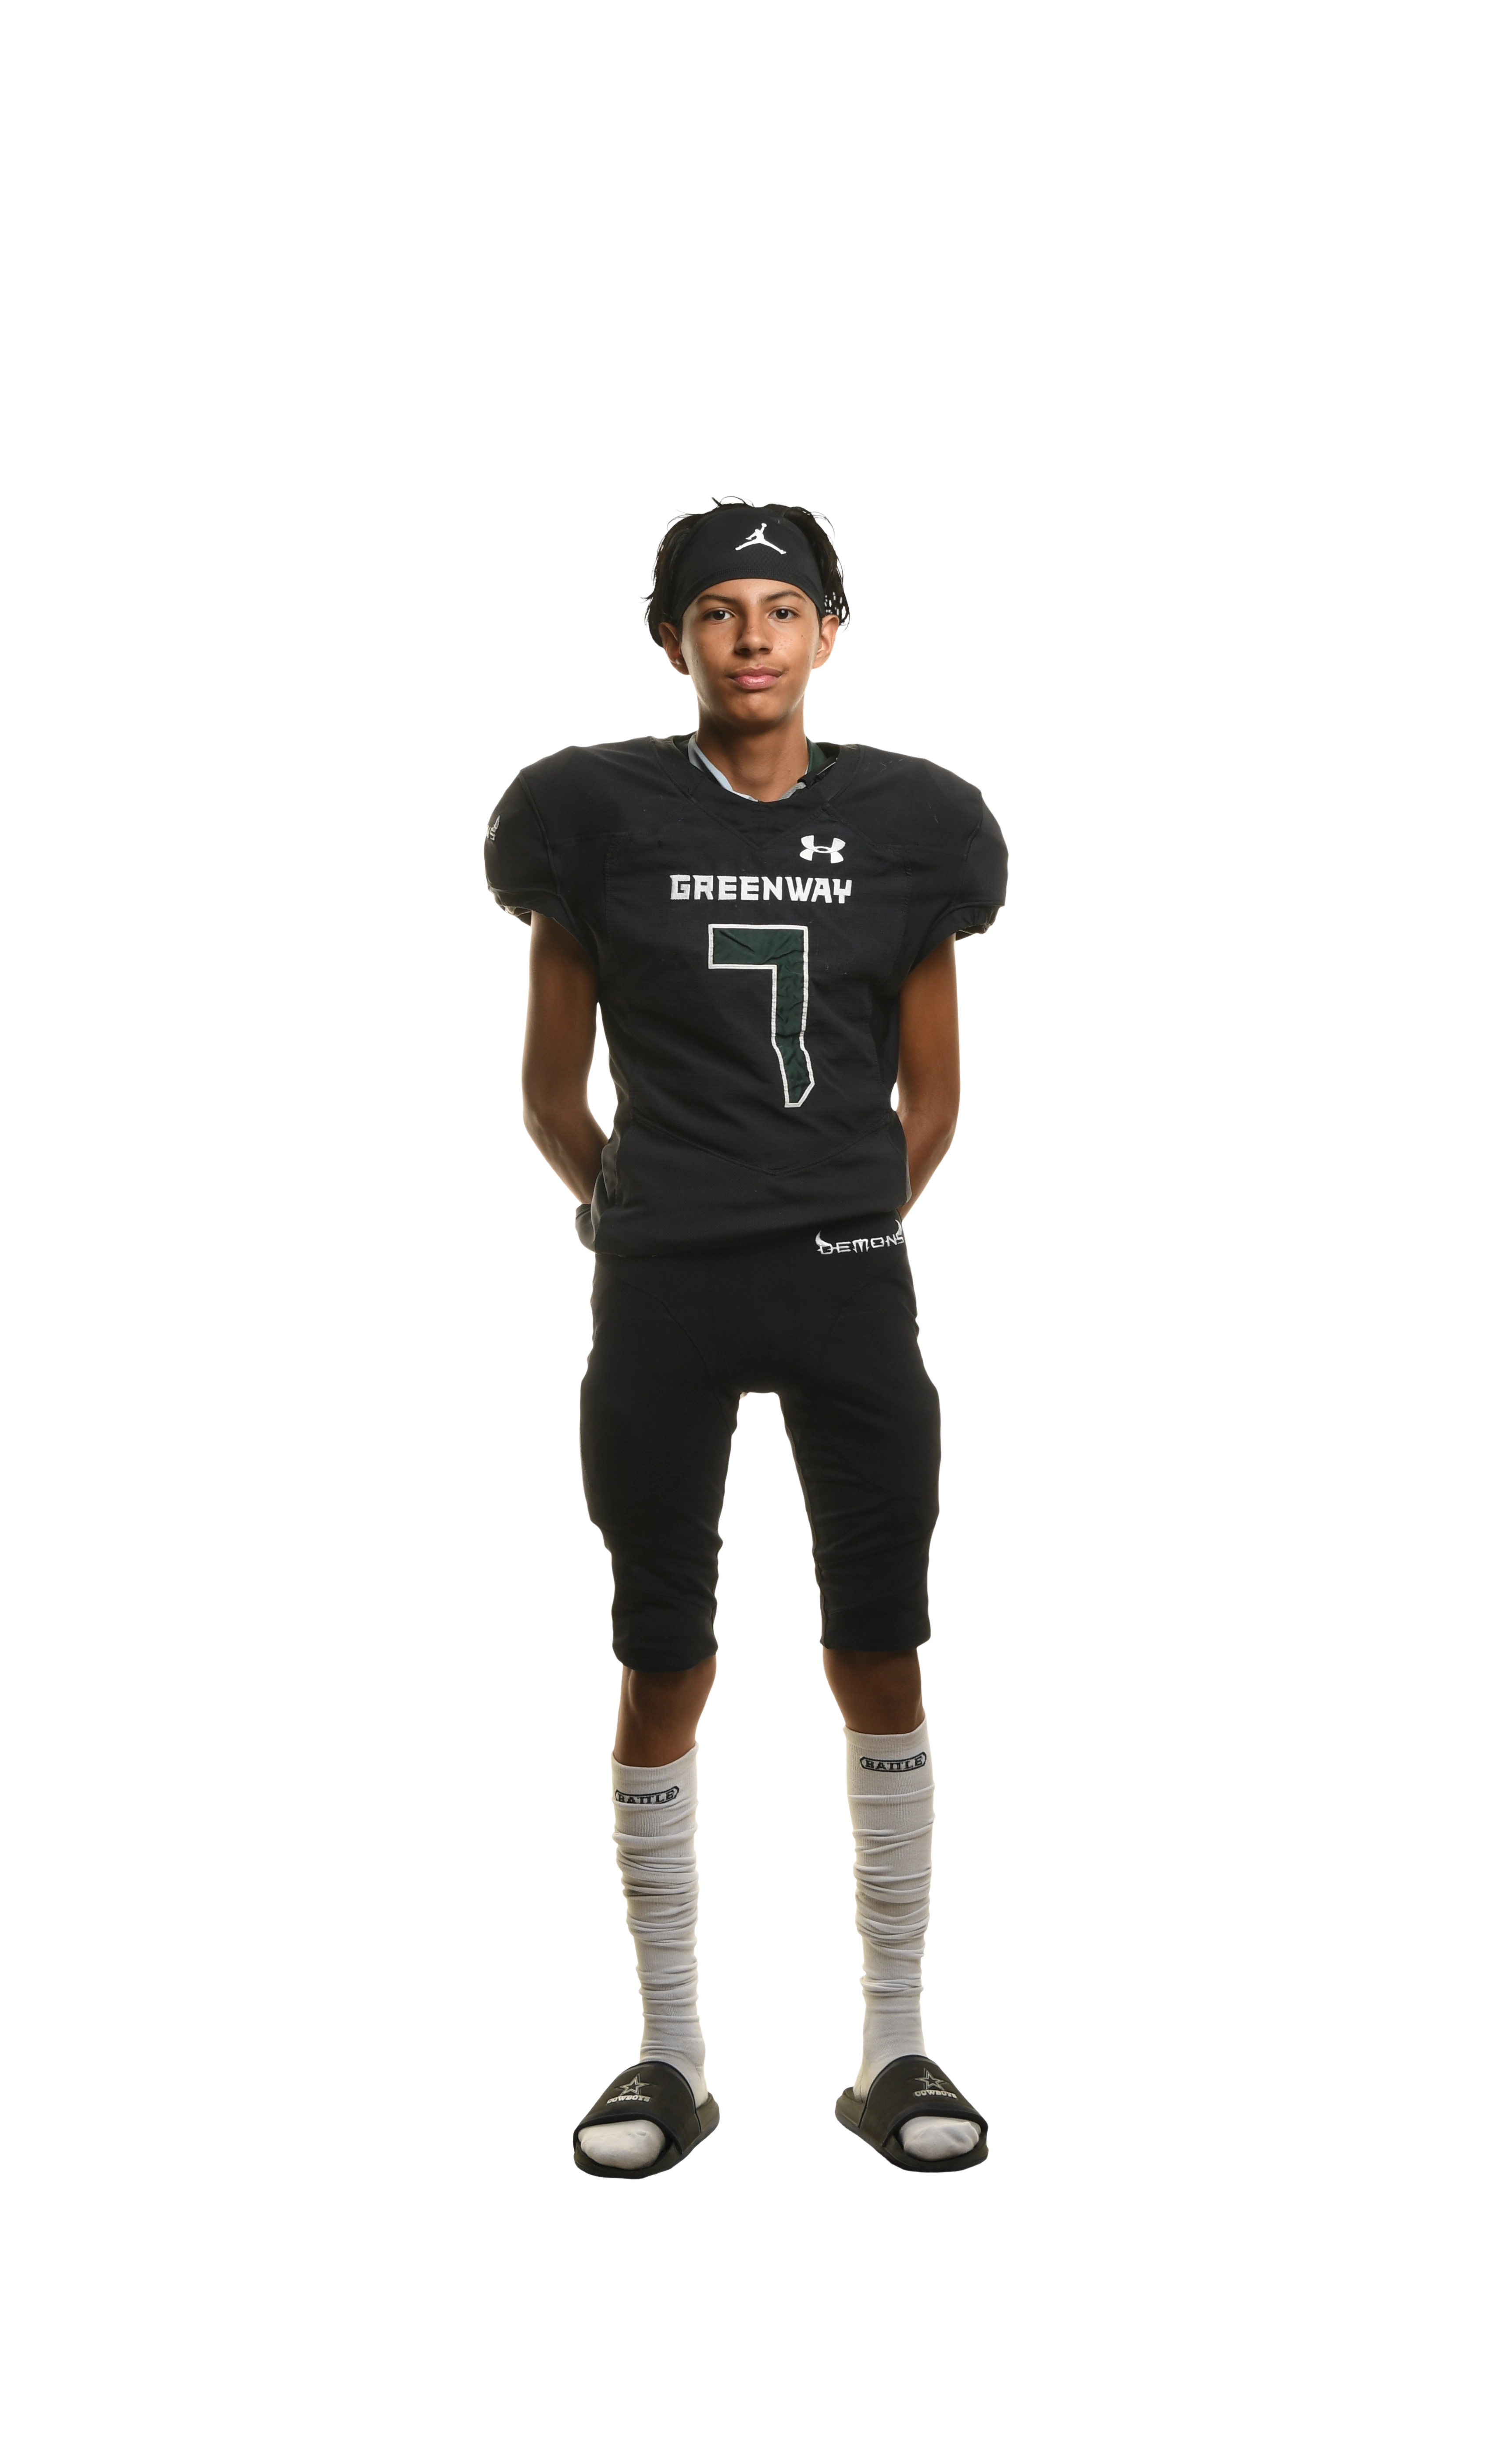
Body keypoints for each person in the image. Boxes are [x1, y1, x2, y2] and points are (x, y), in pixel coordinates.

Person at [483, 496, 1007, 2177]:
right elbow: (550, 1093)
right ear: (673, 639)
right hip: (665, 1285)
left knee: (882, 1640)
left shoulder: (911, 824)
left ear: (828, 633)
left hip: (847, 1275)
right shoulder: (593, 816)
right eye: (719, 611)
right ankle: (667, 2055)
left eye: (782, 609)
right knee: (665, 1652)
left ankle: (900, 2042)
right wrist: (644, 1215)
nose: (754, 637)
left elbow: (936, 1099)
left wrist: (835, 1217)